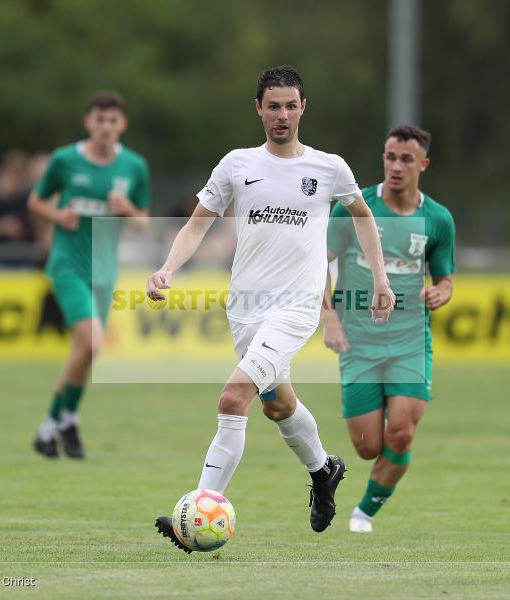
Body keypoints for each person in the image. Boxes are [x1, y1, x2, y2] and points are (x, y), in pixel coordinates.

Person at [147, 65, 395, 552]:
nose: (282, 115)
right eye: (273, 105)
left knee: (232, 399)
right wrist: (167, 268)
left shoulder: (329, 168)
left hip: (295, 307)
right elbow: (198, 224)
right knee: (278, 406)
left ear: (304, 108)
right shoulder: (237, 164)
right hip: (245, 307)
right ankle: (325, 470)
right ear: (258, 109)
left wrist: (381, 277)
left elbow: (363, 217)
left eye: (290, 105)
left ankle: (199, 510)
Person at [323, 125, 456, 533]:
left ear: (423, 165)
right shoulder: (354, 207)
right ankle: (369, 475)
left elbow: (445, 278)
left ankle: (364, 513)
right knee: (367, 447)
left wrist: (441, 292)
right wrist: (329, 317)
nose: (396, 166)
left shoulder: (437, 219)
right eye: (390, 157)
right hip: (358, 341)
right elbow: (318, 265)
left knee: (401, 433)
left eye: (406, 160)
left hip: (409, 340)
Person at [28, 91, 151, 459]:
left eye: (113, 120)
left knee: (85, 350)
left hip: (104, 270)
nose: (105, 127)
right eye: (99, 119)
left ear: (122, 125)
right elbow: (36, 201)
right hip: (68, 265)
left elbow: (144, 223)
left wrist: (127, 208)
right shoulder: (65, 160)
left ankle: (54, 424)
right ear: (88, 123)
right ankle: (62, 420)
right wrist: (56, 217)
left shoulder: (134, 166)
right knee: (94, 342)